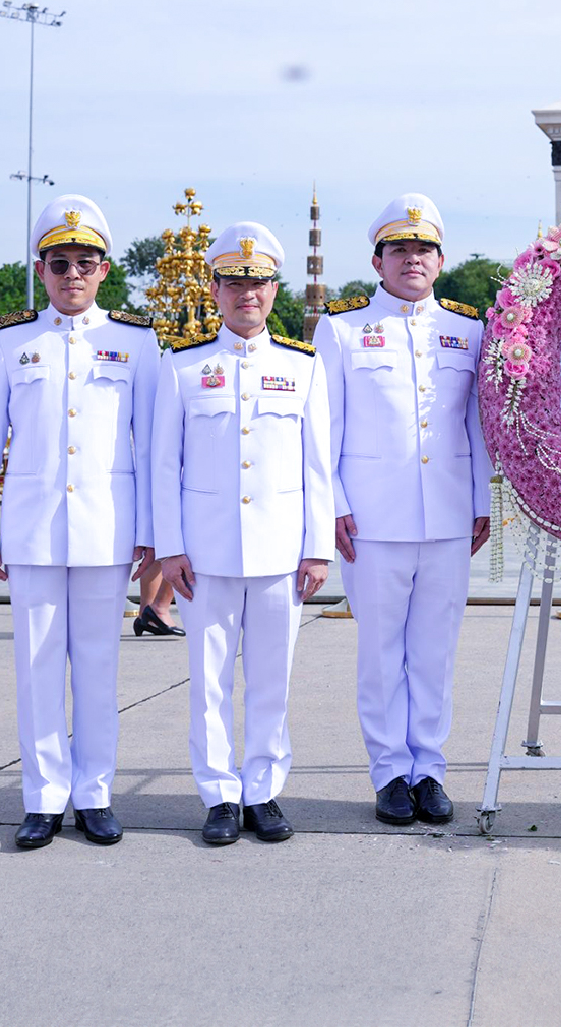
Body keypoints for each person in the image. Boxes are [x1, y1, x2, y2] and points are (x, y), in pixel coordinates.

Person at [0, 195, 159, 850]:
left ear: (105, 270)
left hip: (107, 528)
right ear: (41, 269)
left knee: (99, 669)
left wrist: (155, 532)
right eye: (59, 262)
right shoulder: (13, 338)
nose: (72, 273)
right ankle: (44, 796)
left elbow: (154, 444)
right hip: (32, 529)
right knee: (38, 666)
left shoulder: (135, 341)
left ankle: (95, 793)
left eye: (85, 262)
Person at [152, 223, 332, 846]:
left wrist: (317, 548)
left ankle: (263, 790)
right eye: (233, 282)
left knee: (271, 677)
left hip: (282, 549)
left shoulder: (303, 366)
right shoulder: (182, 365)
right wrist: (170, 546)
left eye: (257, 282)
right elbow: (163, 464)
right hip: (204, 554)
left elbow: (317, 465)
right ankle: (219, 794)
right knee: (208, 680)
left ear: (275, 288)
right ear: (214, 288)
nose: (246, 294)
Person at [320, 194, 490, 827]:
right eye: (400, 249)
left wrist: (479, 501)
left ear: (440, 260)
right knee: (380, 650)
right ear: (377, 260)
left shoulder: (468, 329)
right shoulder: (340, 328)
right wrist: (332, 505)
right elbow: (325, 429)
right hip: (372, 520)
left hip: (446, 517)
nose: (412, 259)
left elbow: (474, 424)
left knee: (435, 651)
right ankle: (390, 770)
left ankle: (431, 769)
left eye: (423, 249)